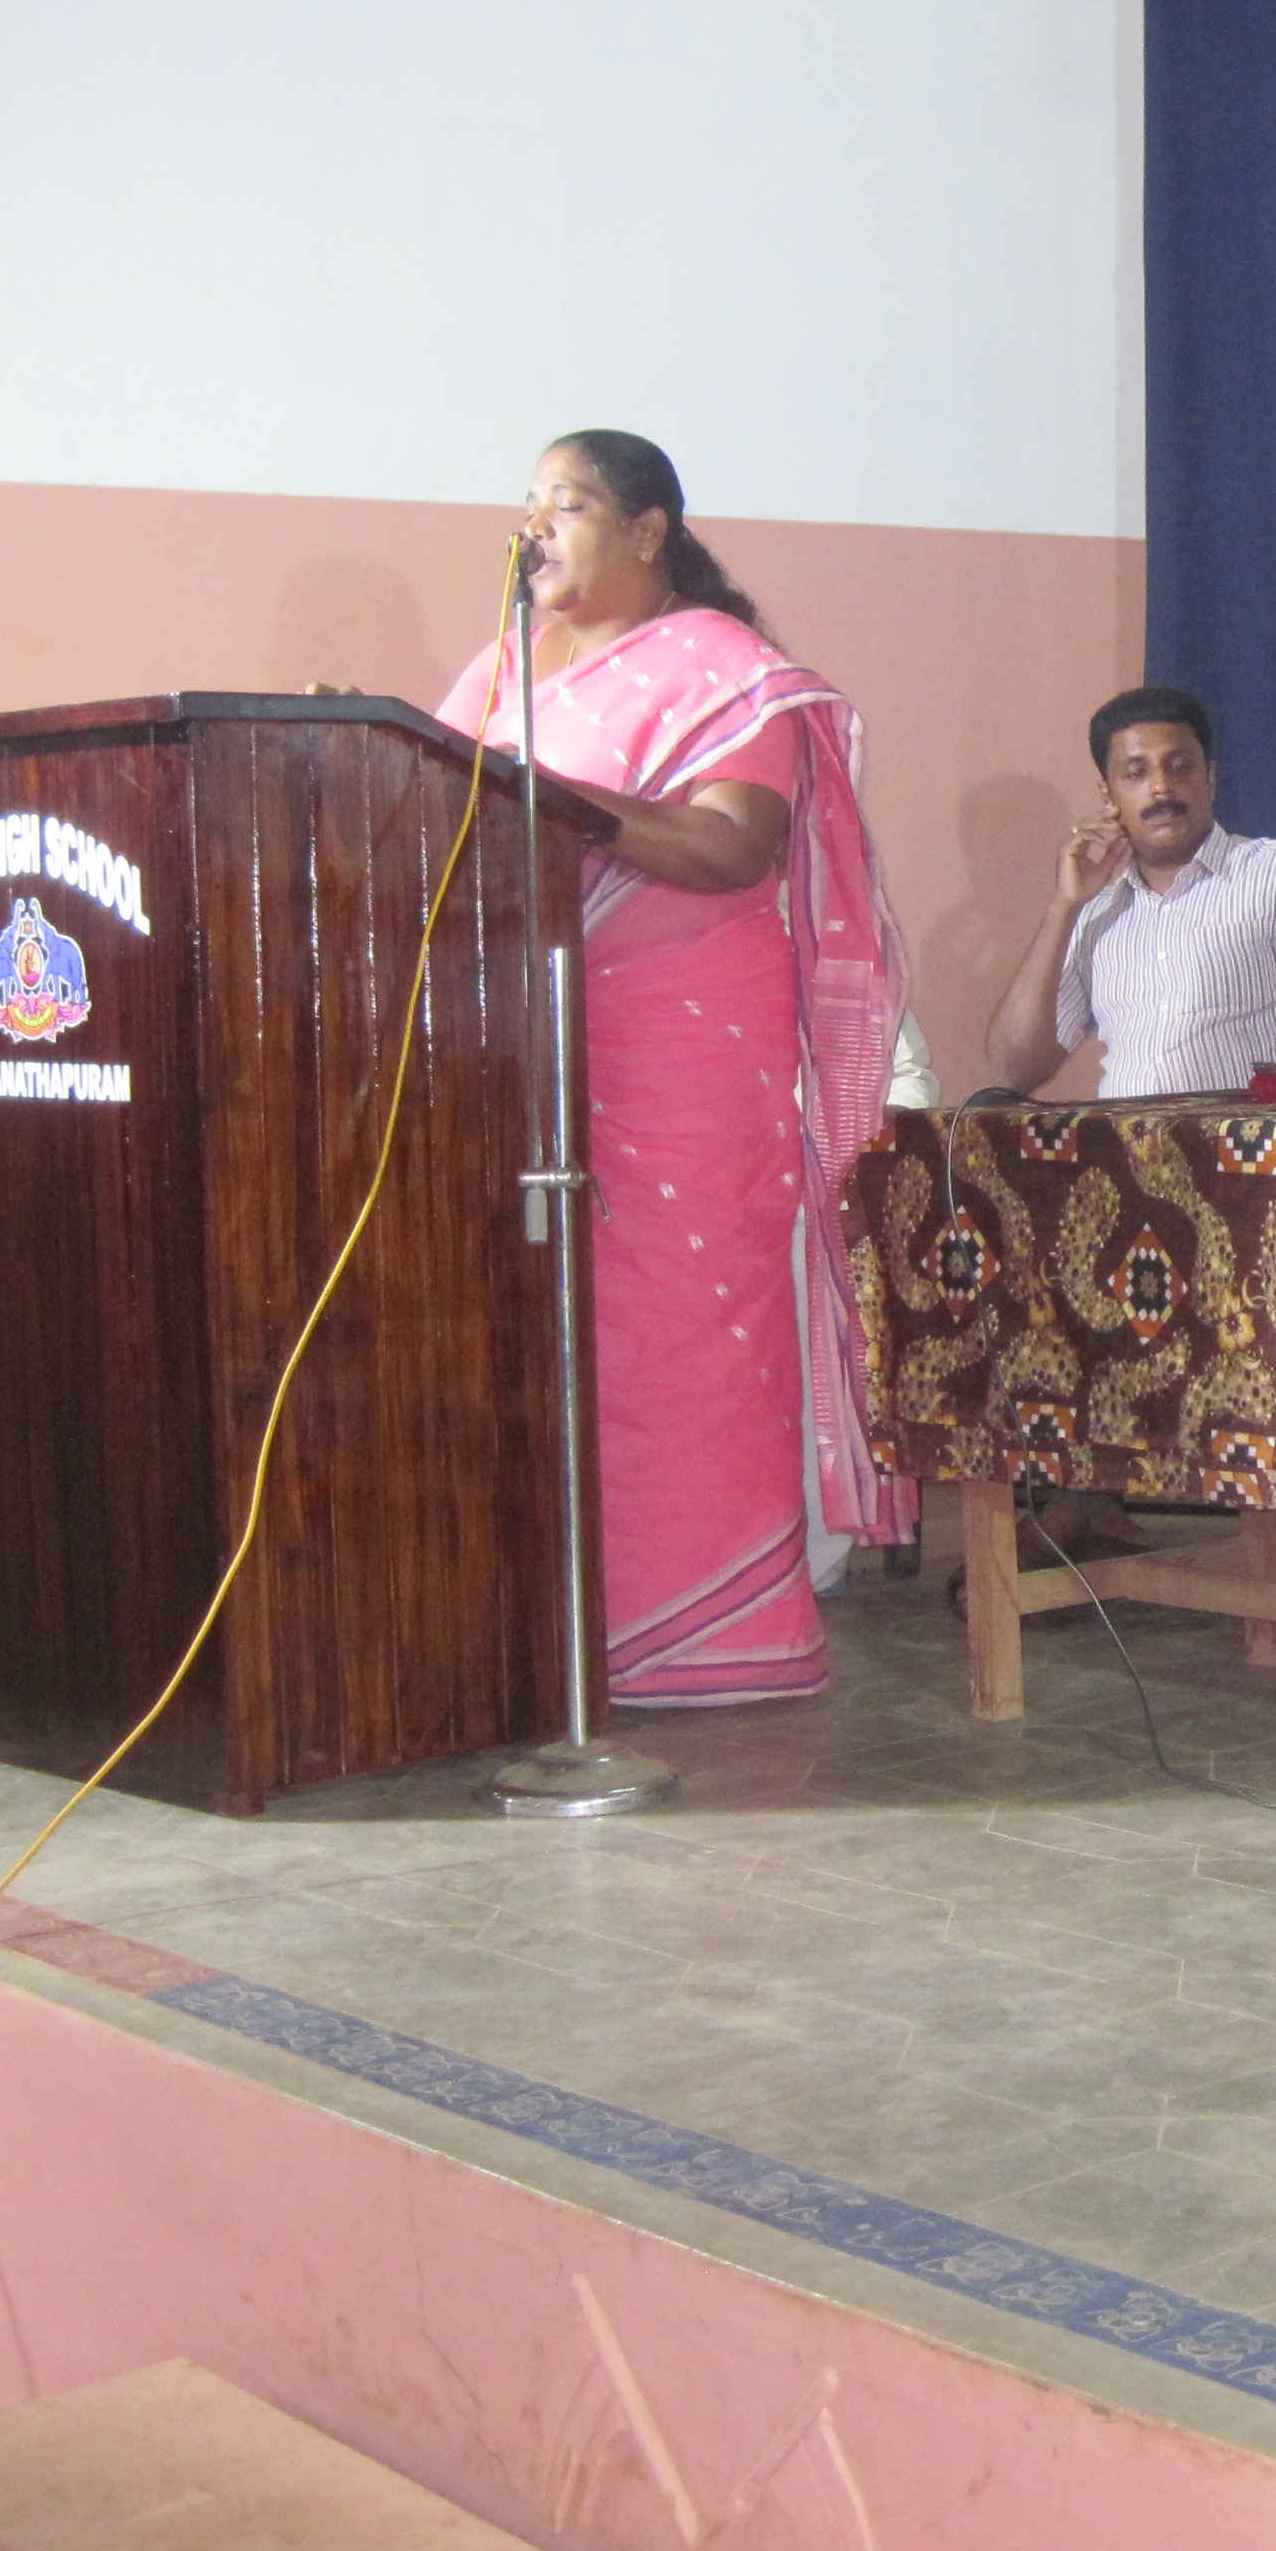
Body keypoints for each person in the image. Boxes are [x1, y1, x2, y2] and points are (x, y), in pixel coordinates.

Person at [431, 431, 912, 1706]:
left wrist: (557, 800)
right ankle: (549, 1632)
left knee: (677, 1332)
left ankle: (708, 1637)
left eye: (569, 504)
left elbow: (730, 847)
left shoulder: (724, 668)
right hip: (520, 1048)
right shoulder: (500, 668)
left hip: (682, 1054)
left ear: (647, 532)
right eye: (528, 505)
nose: (536, 528)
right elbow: (429, 812)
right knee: (539, 1330)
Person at [982, 685, 1276, 1097]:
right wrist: (1064, 906)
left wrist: (1236, 1122)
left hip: (1248, 1134)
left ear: (1210, 778)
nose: (1161, 787)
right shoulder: (1095, 911)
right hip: (1122, 1139)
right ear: (1108, 795)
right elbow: (1013, 1070)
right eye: (1136, 773)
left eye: (1180, 767)